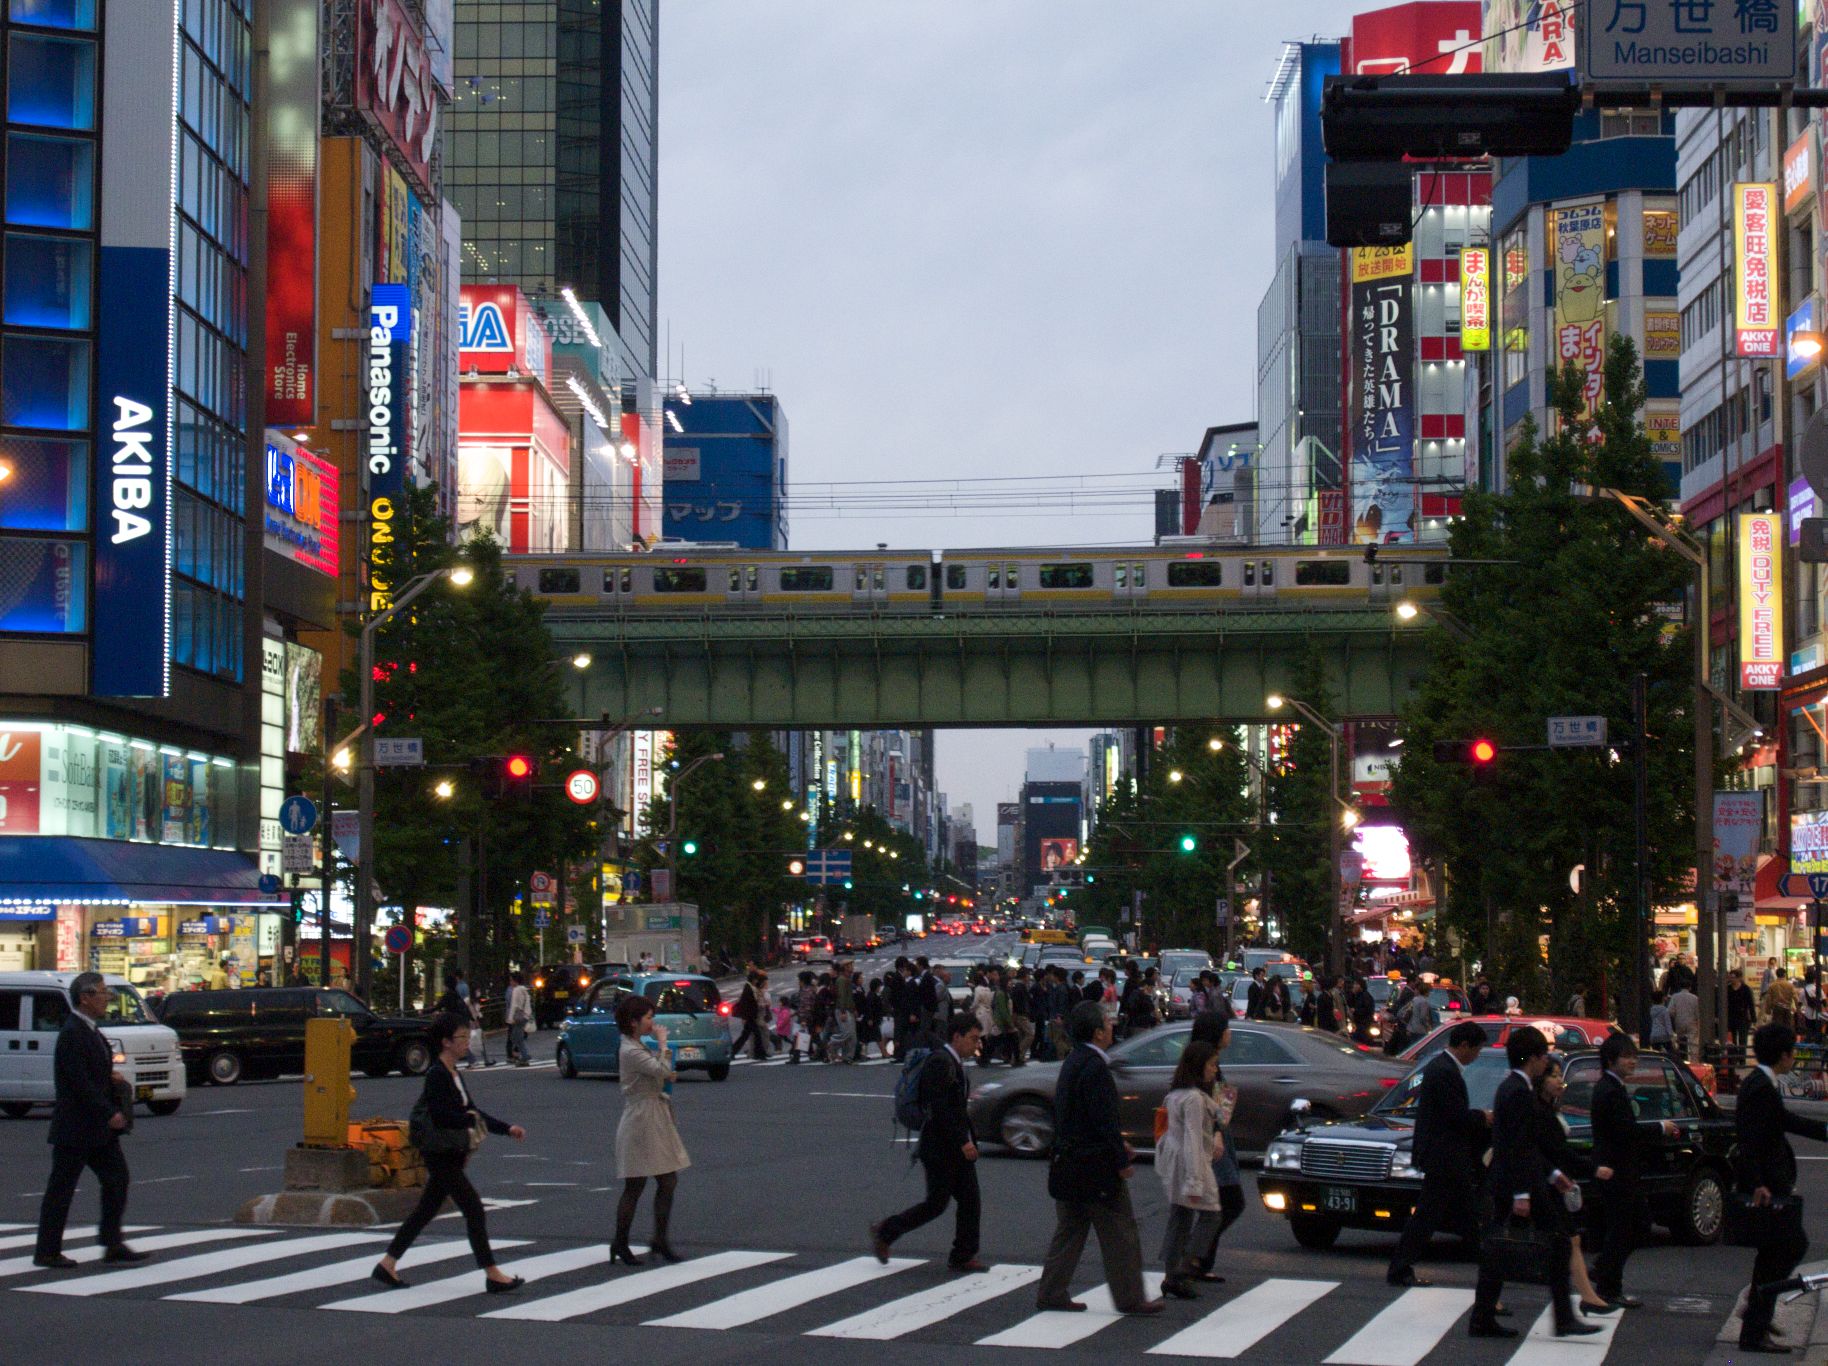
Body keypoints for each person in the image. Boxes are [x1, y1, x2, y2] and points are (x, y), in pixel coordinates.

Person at [373, 1011, 526, 1293]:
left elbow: (472, 1111)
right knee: (474, 1209)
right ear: (445, 1042)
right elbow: (443, 1115)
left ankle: (387, 1263)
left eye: (467, 1036)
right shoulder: (437, 1075)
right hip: (440, 1153)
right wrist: (469, 1120)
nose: (466, 1041)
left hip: (451, 1152)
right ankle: (492, 1273)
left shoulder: (453, 1073)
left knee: (426, 1210)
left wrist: (506, 1128)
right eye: (461, 1037)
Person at [1033, 1002, 1165, 1316]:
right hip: (1096, 1165)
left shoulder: (1073, 1062)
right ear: (1097, 1032)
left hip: (1069, 1161)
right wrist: (1120, 1159)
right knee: (1120, 1233)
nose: (1112, 1026)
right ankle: (1130, 1297)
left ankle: (1051, 1291)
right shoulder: (1095, 1068)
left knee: (1071, 1229)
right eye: (1107, 1022)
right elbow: (1103, 1120)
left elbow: (1076, 1116)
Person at [1470, 1026, 1599, 1340]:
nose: (1546, 1063)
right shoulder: (1517, 1092)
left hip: (1517, 1181)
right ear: (1533, 1058)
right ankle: (1562, 1317)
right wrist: (1522, 1193)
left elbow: (1524, 1145)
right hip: (1517, 1184)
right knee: (1555, 1242)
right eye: (1542, 1056)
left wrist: (1553, 1175)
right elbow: (1514, 1146)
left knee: (1499, 1250)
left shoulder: (1513, 1088)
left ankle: (1484, 1317)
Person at [33, 973, 147, 1269]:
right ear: (85, 997)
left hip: (94, 1128)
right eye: (102, 992)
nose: (107, 998)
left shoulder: (89, 1030)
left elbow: (89, 1072)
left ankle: (112, 1243)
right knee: (62, 1188)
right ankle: (47, 1250)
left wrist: (111, 1078)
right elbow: (79, 1083)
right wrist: (110, 1112)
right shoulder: (73, 1032)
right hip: (76, 1126)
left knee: (116, 1178)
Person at [1733, 1022, 1828, 1353]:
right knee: (1789, 1246)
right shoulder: (1760, 1087)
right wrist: (1758, 1181)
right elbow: (1749, 1138)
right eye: (1792, 1053)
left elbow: (1785, 1121)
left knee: (1774, 1253)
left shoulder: (1761, 1083)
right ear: (1784, 1055)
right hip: (1767, 1185)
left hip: (1770, 1182)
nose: (1794, 1059)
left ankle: (1756, 1317)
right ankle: (1756, 1317)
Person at [870, 1012, 985, 1271]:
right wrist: (963, 1141)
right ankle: (886, 1231)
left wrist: (969, 1138)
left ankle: (963, 1255)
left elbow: (955, 1110)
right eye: (973, 1038)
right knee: (937, 1204)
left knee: (968, 1200)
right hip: (939, 1148)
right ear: (957, 1037)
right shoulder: (940, 1062)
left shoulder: (952, 1062)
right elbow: (940, 1108)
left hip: (949, 1145)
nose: (977, 1044)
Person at [1387, 1020, 1491, 1288]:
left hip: (1443, 1155)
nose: (1476, 1056)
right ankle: (1401, 1267)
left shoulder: (1439, 1067)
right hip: (1445, 1156)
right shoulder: (1445, 1071)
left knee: (1454, 1213)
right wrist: (1482, 1117)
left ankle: (1489, 1264)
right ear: (1464, 1046)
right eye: (1476, 1050)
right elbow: (1455, 1116)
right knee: (1434, 1214)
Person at [1589, 1033, 1680, 1308]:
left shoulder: (1611, 1087)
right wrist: (1659, 1128)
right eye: (1627, 1056)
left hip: (1620, 1170)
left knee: (1635, 1225)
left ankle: (1605, 1270)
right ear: (1610, 1060)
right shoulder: (1610, 1090)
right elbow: (1625, 1132)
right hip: (1616, 1171)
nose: (1633, 1061)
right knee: (1626, 1227)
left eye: (1634, 1056)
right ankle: (1608, 1281)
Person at [1534, 1056, 1619, 1318]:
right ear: (1541, 1080)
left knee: (1570, 1239)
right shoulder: (1538, 1110)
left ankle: (1587, 1297)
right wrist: (1593, 1168)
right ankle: (1582, 1301)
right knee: (1557, 1241)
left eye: (1560, 1076)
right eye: (1554, 1076)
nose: (1560, 1081)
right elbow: (1555, 1152)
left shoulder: (1549, 1108)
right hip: (1541, 1184)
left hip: (1553, 1183)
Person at [611, 993, 691, 1265]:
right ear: (633, 1022)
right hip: (643, 1118)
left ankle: (650, 1239)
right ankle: (628, 1242)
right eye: (648, 1017)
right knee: (640, 1183)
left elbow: (661, 1072)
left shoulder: (635, 1045)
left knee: (660, 1180)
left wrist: (663, 1064)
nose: (652, 1022)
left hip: (650, 1115)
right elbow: (662, 1070)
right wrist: (664, 1043)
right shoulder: (630, 1050)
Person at [1157, 1040, 1224, 1300]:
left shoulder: (1176, 1094)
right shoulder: (1195, 1099)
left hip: (1174, 1161)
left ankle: (1171, 1272)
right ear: (1199, 1066)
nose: (1214, 1071)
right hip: (1191, 1163)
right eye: (1211, 1065)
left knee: (1180, 1217)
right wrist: (1195, 1181)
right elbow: (1195, 1139)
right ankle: (1184, 1269)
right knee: (1211, 1214)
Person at [1186, 1009, 1246, 1282]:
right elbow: (1204, 1103)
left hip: (1217, 1137)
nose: (1230, 1033)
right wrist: (1216, 1132)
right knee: (1227, 1201)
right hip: (1212, 1141)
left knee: (1219, 1202)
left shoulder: (1211, 1060)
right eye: (1226, 1028)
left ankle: (1201, 1261)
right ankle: (1194, 1258)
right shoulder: (1203, 1061)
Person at [732, 971, 771, 1061]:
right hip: (750, 1016)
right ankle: (760, 1054)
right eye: (756, 979)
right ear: (753, 979)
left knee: (745, 1036)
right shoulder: (749, 988)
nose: (757, 981)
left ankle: (733, 1052)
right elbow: (746, 1004)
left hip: (750, 1016)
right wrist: (746, 1017)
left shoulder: (750, 987)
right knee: (756, 1035)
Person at [505, 971, 533, 1067]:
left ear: (515, 981)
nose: (510, 982)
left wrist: (510, 1018)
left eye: (511, 980)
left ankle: (524, 1056)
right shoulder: (524, 989)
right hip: (525, 1015)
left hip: (518, 1016)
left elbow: (515, 1005)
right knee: (517, 1036)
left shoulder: (516, 990)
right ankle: (524, 1055)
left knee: (516, 1037)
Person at [1668, 981, 1700, 1060]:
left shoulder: (1675, 997)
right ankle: (1694, 1060)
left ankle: (1682, 1059)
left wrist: (1676, 1016)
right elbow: (1698, 1013)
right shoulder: (1694, 998)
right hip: (1692, 1022)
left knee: (1681, 1042)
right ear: (1690, 987)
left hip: (1679, 1022)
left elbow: (1670, 1011)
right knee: (1693, 1043)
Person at [1729, 969, 1758, 1051]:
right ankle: (1733, 1059)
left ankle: (1742, 1059)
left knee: (1743, 1040)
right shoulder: (1728, 989)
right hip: (1731, 1017)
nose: (1731, 979)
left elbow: (1750, 1004)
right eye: (1730, 977)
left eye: (1733, 977)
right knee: (1732, 1040)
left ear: (1739, 978)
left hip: (1743, 1017)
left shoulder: (1746, 989)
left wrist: (1753, 1019)